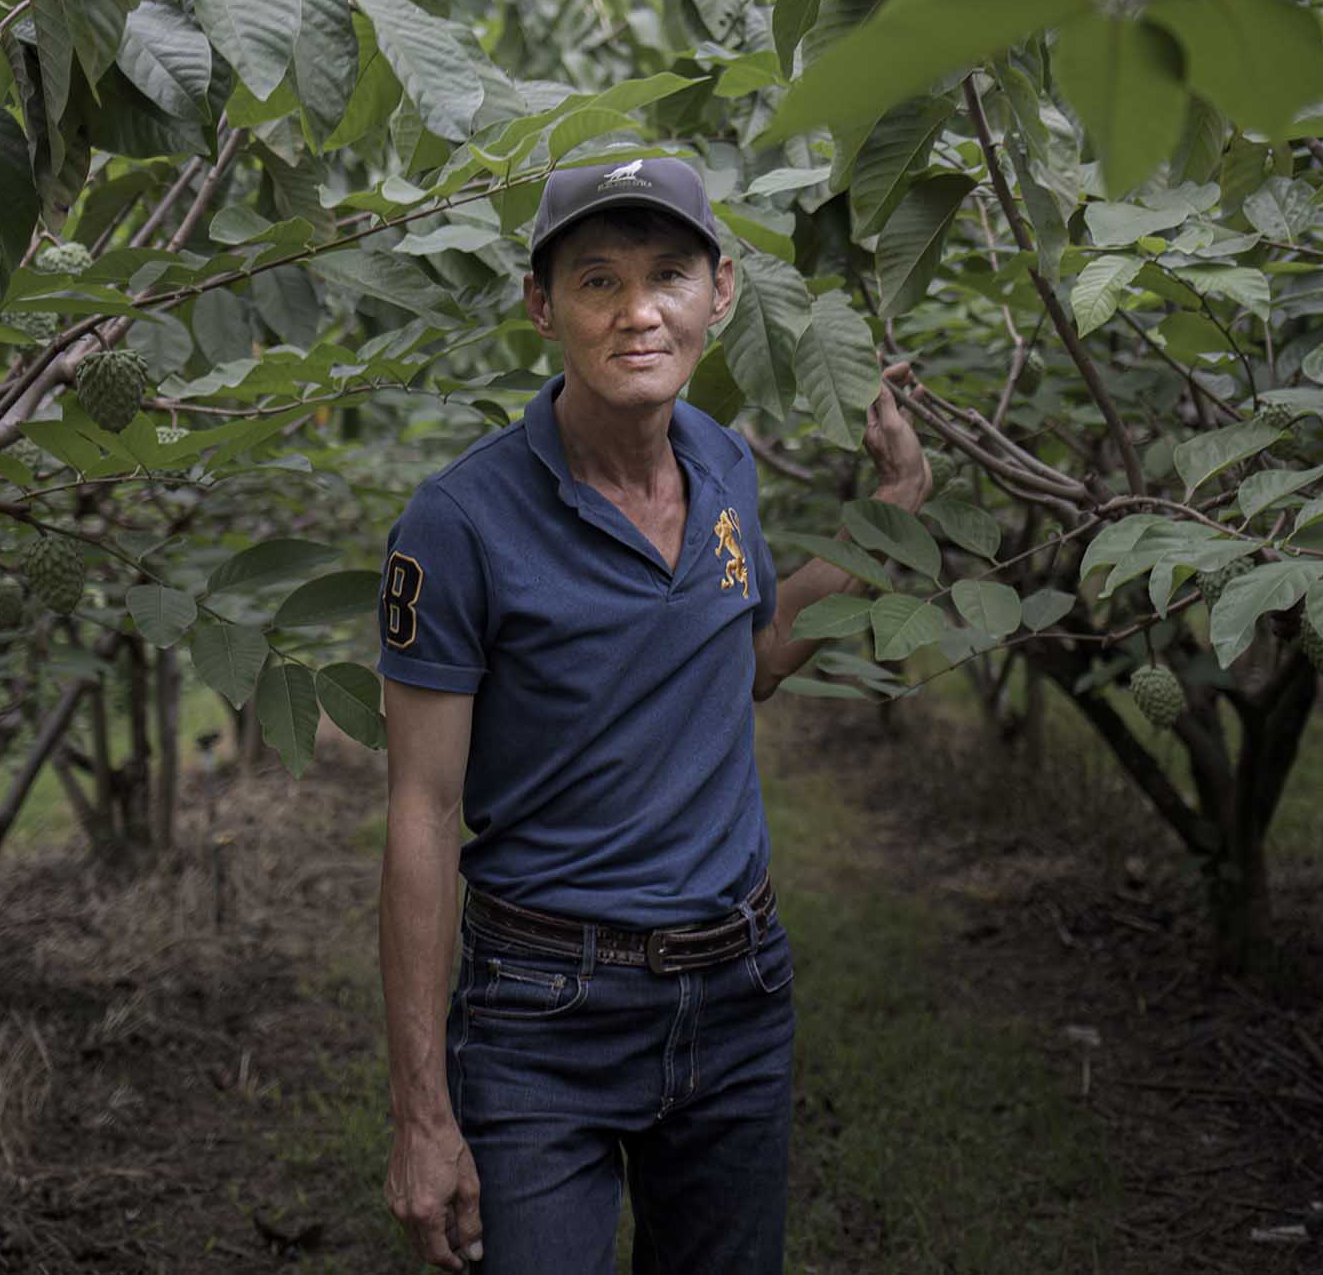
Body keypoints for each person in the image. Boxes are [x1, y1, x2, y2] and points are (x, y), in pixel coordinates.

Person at [376, 154, 931, 1273]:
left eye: (669, 274)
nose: (640, 311)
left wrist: (893, 510)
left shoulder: (723, 462)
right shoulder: (456, 524)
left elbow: (757, 650)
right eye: (597, 281)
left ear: (720, 292)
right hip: (544, 1009)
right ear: (542, 305)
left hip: (739, 992)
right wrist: (421, 1114)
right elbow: (423, 815)